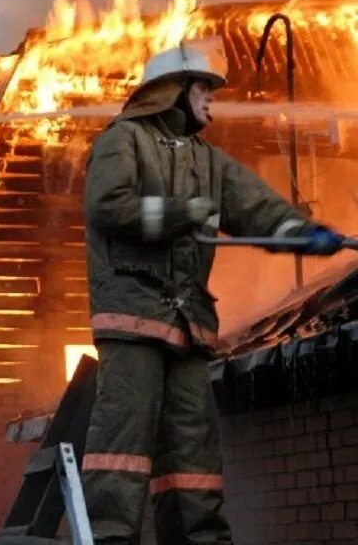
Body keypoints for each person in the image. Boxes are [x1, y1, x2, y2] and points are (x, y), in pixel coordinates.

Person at [81, 40, 343, 544]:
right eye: (203, 87)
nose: (211, 99)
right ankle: (110, 538)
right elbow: (107, 206)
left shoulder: (210, 161)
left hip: (190, 327)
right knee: (122, 442)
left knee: (193, 454)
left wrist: (304, 233)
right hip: (133, 318)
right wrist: (183, 213)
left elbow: (258, 209)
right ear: (171, 91)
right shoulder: (123, 140)